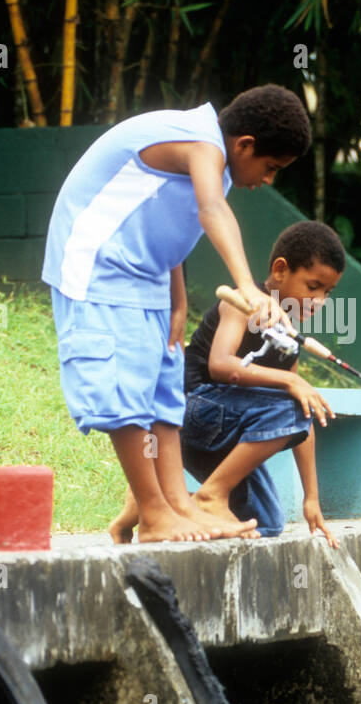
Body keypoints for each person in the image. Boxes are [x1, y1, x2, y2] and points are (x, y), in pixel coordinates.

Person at [42, 85, 310, 542]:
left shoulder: (215, 161)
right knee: (124, 390)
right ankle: (152, 513)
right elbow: (209, 210)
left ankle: (178, 506)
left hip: (147, 276)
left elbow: (166, 228)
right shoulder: (200, 140)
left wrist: (179, 300)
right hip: (97, 267)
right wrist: (247, 284)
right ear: (245, 145)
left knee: (164, 395)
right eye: (270, 168)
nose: (267, 180)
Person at [110, 221, 344, 548]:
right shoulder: (240, 302)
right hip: (185, 415)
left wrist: (312, 498)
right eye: (313, 286)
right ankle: (212, 496)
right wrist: (291, 380)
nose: (319, 301)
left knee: (266, 523)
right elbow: (220, 366)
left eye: (327, 293)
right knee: (291, 398)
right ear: (280, 270)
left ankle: (153, 503)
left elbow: (300, 415)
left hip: (222, 435)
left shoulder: (288, 336)